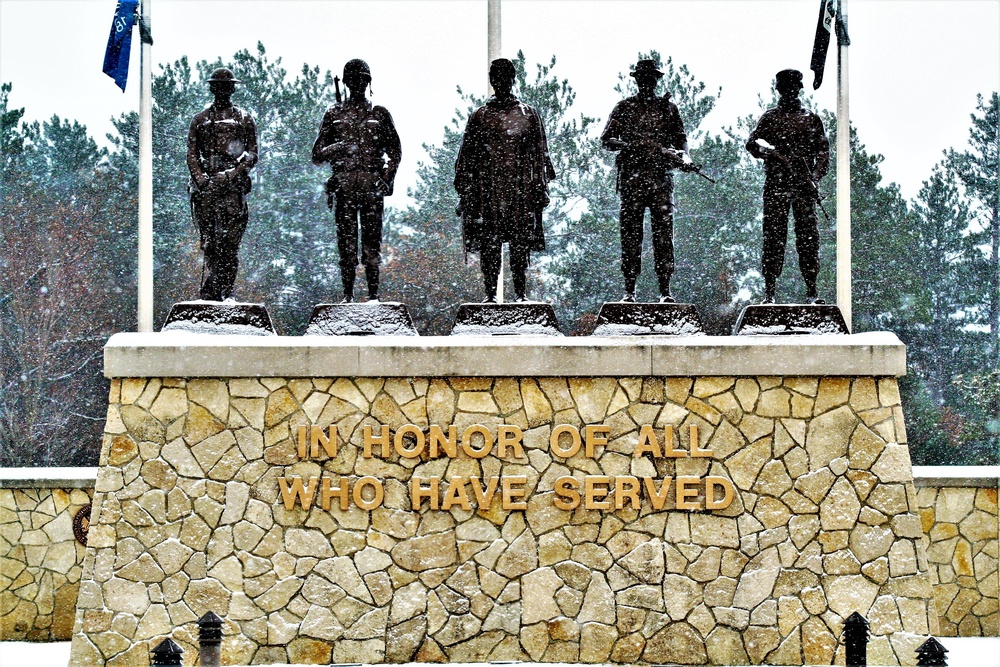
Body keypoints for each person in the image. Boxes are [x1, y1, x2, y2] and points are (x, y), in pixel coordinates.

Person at [455, 58, 556, 303]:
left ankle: (521, 294)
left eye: (506, 77)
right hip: (488, 191)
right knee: (490, 244)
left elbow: (540, 152)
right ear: (492, 81)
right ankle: (490, 294)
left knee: (520, 243)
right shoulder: (480, 116)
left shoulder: (528, 114)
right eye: (497, 77)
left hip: (520, 190)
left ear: (512, 79)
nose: (501, 82)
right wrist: (465, 191)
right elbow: (467, 155)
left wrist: (541, 187)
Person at [602, 59, 692, 303]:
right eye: (642, 78)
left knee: (664, 235)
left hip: (661, 179)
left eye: (650, 78)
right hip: (633, 179)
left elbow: (681, 140)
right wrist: (631, 146)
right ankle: (629, 290)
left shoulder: (669, 109)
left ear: (656, 80)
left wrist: (683, 156)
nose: (646, 82)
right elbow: (607, 139)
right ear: (637, 80)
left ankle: (665, 290)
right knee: (631, 234)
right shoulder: (624, 107)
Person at [312, 59, 401, 302]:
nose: (358, 84)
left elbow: (395, 151)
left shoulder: (379, 114)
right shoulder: (334, 114)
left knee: (372, 246)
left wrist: (386, 178)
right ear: (347, 82)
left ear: (368, 82)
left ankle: (373, 295)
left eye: (363, 79)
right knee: (347, 245)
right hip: (345, 187)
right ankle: (347, 295)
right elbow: (317, 154)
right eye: (354, 80)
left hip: (372, 186)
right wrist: (338, 146)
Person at [746, 68, 830, 304]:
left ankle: (812, 291)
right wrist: (771, 154)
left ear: (799, 90)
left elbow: (823, 152)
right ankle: (769, 292)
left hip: (803, 186)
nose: (790, 93)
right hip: (776, 185)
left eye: (793, 89)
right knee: (773, 237)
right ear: (779, 91)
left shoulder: (811, 119)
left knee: (808, 238)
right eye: (785, 89)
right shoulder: (770, 118)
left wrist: (814, 177)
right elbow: (752, 144)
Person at [187, 68, 258, 301]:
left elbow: (251, 154)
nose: (223, 91)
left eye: (227, 87)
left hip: (233, 190)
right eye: (218, 86)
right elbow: (192, 155)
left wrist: (230, 175)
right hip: (206, 191)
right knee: (210, 243)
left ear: (232, 89)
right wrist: (202, 180)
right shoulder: (200, 120)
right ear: (212, 88)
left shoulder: (244, 119)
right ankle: (213, 289)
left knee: (230, 245)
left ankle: (223, 289)